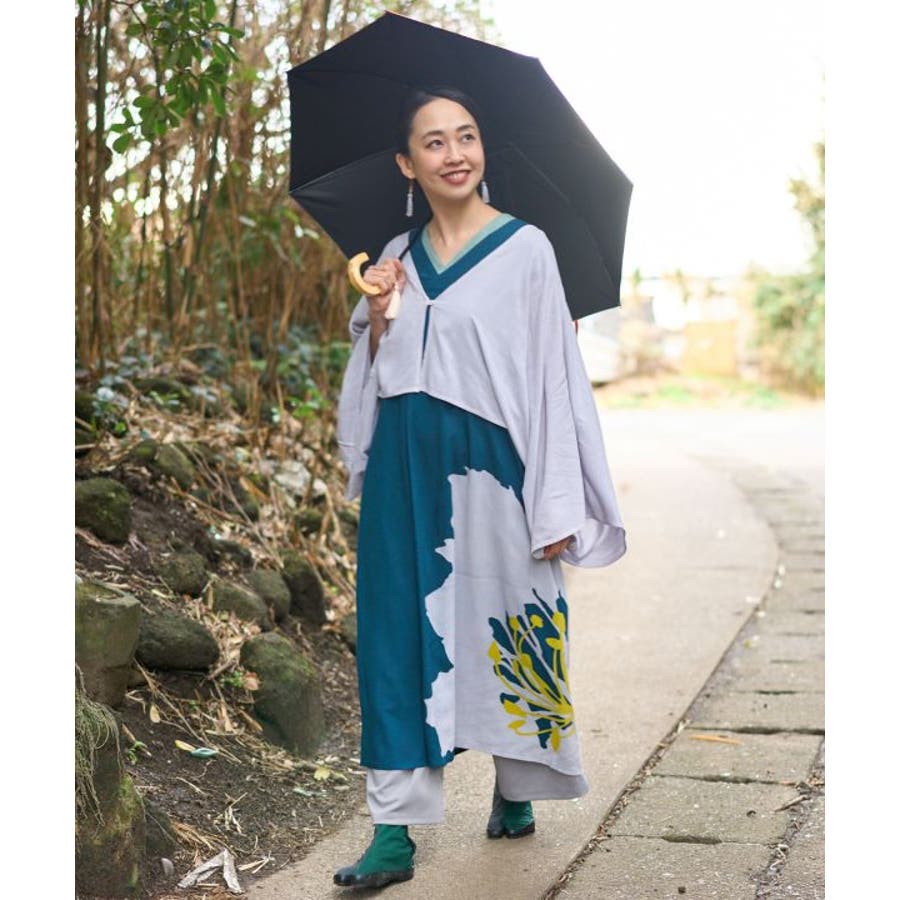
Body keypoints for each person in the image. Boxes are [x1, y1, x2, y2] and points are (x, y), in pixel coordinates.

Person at [333, 85, 627, 890]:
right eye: (433, 142)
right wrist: (381, 314)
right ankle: (392, 831)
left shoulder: (528, 249)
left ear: (483, 148)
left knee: (511, 620)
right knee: (399, 631)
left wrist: (557, 499)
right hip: (405, 466)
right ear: (407, 164)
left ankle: (518, 783)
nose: (454, 153)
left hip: (496, 467)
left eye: (466, 136)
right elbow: (376, 371)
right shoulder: (393, 253)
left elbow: (553, 379)